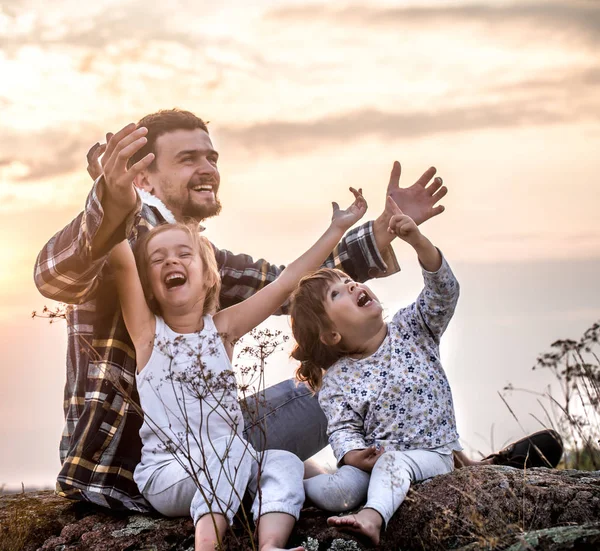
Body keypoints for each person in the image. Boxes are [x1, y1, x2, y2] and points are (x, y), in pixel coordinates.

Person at [34, 108, 449, 511]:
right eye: (188, 158)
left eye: (211, 157)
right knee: (344, 386)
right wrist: (110, 198)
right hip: (129, 469)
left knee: (330, 405)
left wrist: (381, 231)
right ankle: (430, 464)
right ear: (143, 178)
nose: (208, 168)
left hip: (208, 446)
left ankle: (387, 473)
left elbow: (290, 286)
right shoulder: (117, 243)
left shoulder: (203, 259)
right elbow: (53, 276)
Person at [109, 187, 367, 550]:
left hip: (232, 462)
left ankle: (271, 545)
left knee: (283, 462)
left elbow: (286, 282)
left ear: (209, 276)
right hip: (169, 475)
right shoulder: (149, 335)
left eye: (184, 254)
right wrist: (110, 189)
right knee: (231, 449)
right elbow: (120, 257)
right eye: (157, 259)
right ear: (149, 286)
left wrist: (337, 229)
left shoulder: (223, 330)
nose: (171, 262)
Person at [289, 198, 467, 545]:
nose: (354, 285)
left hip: (430, 455)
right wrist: (355, 456)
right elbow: (343, 429)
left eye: (349, 280)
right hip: (374, 464)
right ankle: (291, 482)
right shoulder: (339, 379)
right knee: (336, 492)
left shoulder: (413, 329)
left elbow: (444, 293)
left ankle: (371, 519)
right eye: (337, 293)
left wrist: (418, 241)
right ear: (331, 335)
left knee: (394, 464)